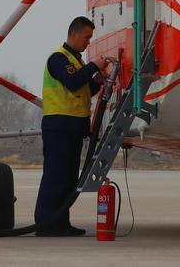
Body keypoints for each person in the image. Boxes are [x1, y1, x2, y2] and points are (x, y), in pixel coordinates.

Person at [34, 16, 106, 236]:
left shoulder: (76, 62)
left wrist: (96, 82)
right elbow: (73, 82)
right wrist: (94, 66)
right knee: (55, 176)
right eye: (86, 37)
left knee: (68, 179)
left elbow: (82, 89)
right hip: (59, 126)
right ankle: (45, 224)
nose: (88, 42)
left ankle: (61, 222)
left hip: (73, 127)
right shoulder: (58, 58)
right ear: (73, 34)